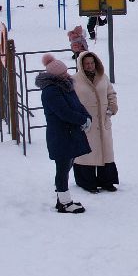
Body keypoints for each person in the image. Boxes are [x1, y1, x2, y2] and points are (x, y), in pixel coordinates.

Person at [36, 54, 91, 214]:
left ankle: (63, 199)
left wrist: (87, 118)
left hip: (70, 133)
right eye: (63, 73)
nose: (67, 74)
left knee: (67, 166)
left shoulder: (65, 86)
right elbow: (64, 112)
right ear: (56, 76)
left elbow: (77, 105)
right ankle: (64, 203)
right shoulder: (50, 91)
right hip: (60, 135)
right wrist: (82, 120)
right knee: (62, 168)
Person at [71, 51, 119, 193]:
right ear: (81, 65)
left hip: (103, 122)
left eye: (92, 63)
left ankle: (107, 181)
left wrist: (112, 107)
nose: (90, 66)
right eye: (87, 64)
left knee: (105, 152)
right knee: (87, 154)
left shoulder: (103, 78)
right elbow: (72, 100)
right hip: (86, 123)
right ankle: (87, 182)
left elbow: (111, 94)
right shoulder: (74, 80)